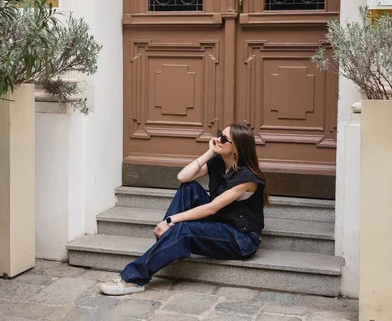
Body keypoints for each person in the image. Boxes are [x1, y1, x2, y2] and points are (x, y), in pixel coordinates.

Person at [100, 124, 269, 296]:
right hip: (220, 222)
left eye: (224, 139)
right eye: (219, 134)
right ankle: (168, 244)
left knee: (182, 229)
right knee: (188, 188)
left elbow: (211, 208)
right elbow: (183, 177)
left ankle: (134, 278)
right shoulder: (219, 162)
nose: (218, 139)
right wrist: (210, 152)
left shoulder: (247, 179)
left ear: (236, 149)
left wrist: (170, 220)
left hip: (240, 238)